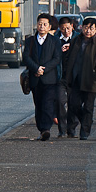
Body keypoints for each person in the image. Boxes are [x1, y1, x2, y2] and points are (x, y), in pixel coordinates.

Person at [64, 17, 96, 140]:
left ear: (95, 29)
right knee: (73, 104)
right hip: (76, 78)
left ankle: (85, 132)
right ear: (82, 28)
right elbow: (68, 58)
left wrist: (95, 74)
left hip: (90, 80)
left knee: (88, 107)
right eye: (86, 28)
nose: (88, 31)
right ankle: (86, 121)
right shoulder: (75, 41)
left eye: (91, 28)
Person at [22, 13, 62, 141]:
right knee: (38, 104)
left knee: (47, 104)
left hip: (49, 79)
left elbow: (56, 58)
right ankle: (41, 129)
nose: (42, 26)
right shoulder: (30, 41)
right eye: (40, 24)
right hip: (35, 78)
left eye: (45, 24)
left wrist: (43, 69)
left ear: (49, 26)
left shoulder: (55, 41)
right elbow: (26, 57)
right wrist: (36, 68)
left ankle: (46, 128)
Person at [55, 17, 77, 137]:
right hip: (60, 77)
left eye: (68, 28)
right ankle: (62, 129)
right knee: (60, 102)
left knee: (73, 103)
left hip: (74, 77)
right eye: (63, 29)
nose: (66, 31)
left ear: (72, 26)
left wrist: (71, 47)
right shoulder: (55, 40)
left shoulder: (78, 38)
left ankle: (72, 129)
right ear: (59, 28)